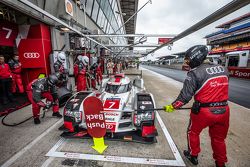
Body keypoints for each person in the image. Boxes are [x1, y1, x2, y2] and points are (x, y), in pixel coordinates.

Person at [164, 45, 229, 167]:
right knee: (219, 139)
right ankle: (220, 163)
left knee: (192, 132)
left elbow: (185, 97)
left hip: (203, 112)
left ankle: (193, 156)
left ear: (195, 58)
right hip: (224, 111)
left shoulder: (194, 73)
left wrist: (172, 107)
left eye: (188, 60)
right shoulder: (224, 69)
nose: (187, 62)